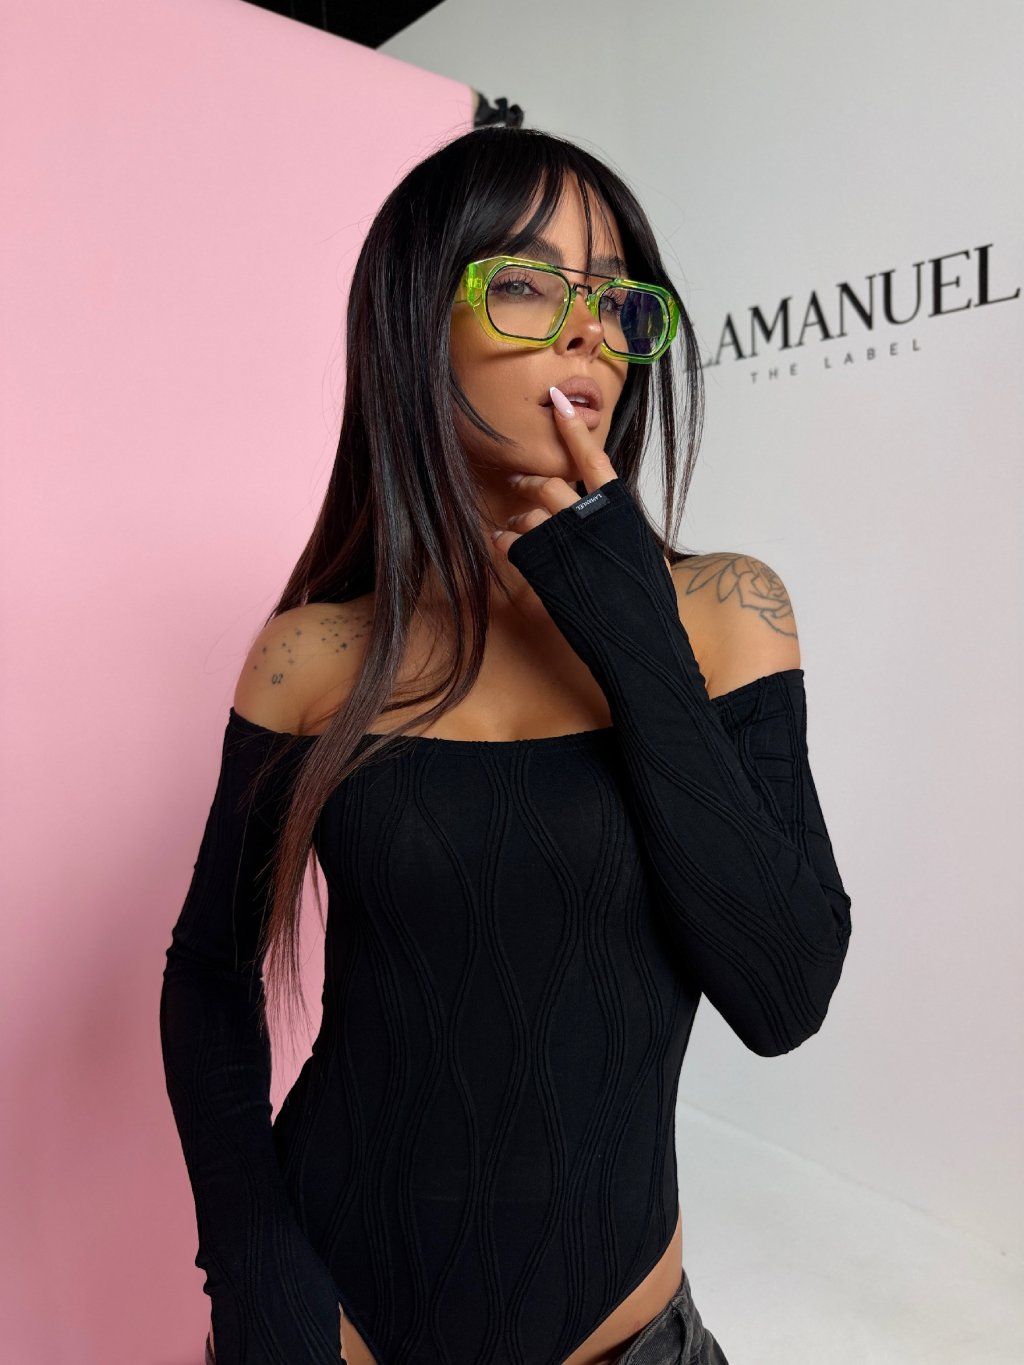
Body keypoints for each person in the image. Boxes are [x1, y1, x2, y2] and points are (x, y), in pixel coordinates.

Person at [159, 126, 853, 1365]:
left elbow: (784, 991)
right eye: (528, 284)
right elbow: (210, 972)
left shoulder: (725, 612)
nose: (586, 332)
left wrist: (621, 613)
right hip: (333, 1328)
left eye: (612, 298)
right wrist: (251, 1265)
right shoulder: (314, 655)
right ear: (416, 325)